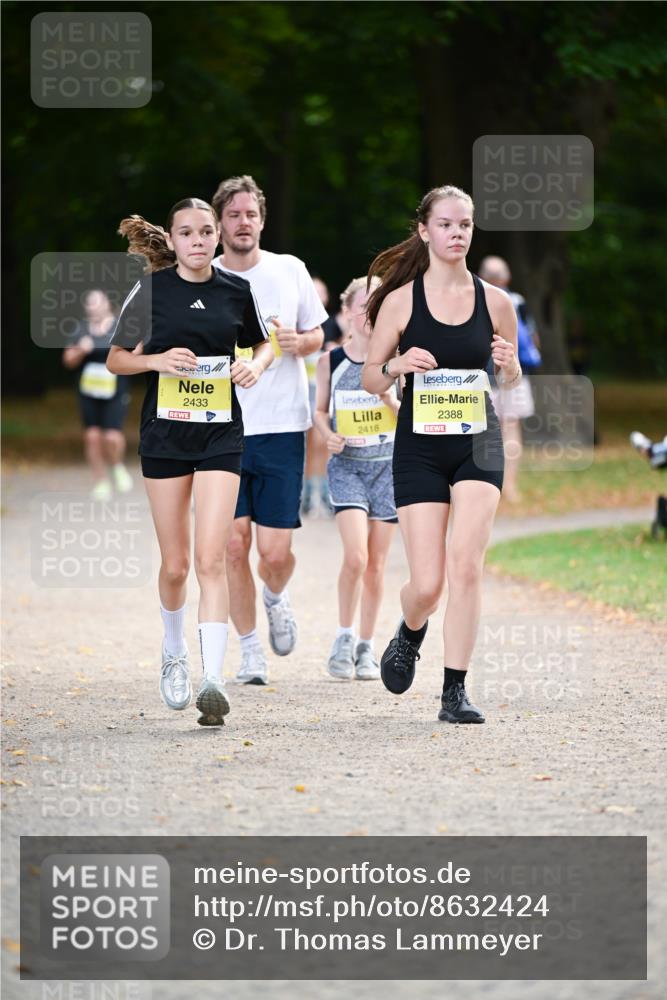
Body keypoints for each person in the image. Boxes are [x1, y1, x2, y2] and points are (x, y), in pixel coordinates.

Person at [107, 197, 273, 727]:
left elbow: (264, 346)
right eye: (187, 233)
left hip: (221, 436)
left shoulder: (235, 291)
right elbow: (115, 359)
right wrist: (156, 359)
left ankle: (213, 679)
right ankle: (174, 649)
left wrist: (254, 367)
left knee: (214, 556)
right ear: (173, 241)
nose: (198, 241)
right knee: (176, 565)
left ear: (217, 238)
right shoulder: (152, 289)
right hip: (165, 438)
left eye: (206, 232)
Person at [362, 185, 520, 724]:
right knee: (427, 585)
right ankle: (409, 633)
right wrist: (397, 367)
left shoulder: (496, 302)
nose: (457, 233)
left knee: (467, 567)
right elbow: (367, 376)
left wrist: (510, 365)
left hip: (479, 443)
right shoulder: (402, 301)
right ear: (425, 231)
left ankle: (455, 692)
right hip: (420, 451)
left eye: (466, 225)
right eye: (447, 224)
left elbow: (511, 376)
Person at [210, 175, 327, 685]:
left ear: (262, 219)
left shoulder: (289, 270)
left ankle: (276, 596)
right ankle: (249, 649)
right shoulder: (201, 274)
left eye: (250, 214)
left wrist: (301, 343)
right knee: (233, 546)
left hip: (281, 425)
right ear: (218, 223)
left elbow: (320, 333)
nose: (242, 223)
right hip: (221, 428)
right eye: (233, 215)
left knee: (274, 553)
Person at [314, 275, 399, 680]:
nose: (370, 315)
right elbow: (318, 412)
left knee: (377, 565)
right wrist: (328, 435)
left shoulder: (397, 360)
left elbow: (413, 416)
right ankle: (343, 637)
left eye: (378, 306)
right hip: (347, 467)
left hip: (387, 468)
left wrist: (390, 398)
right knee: (356, 556)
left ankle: (367, 646)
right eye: (364, 306)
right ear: (347, 312)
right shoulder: (330, 360)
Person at [478, 255, 539, 503]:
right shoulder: (517, 301)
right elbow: (533, 338)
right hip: (514, 373)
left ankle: (486, 485)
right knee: (511, 428)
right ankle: (509, 487)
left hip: (480, 376)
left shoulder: (471, 298)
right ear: (507, 277)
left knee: (480, 432)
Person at [62, 289, 133, 501]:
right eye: (89, 304)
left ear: (107, 305)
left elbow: (134, 354)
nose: (93, 307)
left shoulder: (119, 327)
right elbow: (67, 360)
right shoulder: (81, 329)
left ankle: (116, 465)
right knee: (92, 437)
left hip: (115, 389)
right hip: (88, 390)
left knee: (112, 436)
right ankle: (100, 481)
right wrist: (80, 350)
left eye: (97, 303)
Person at [302, 276, 342, 517]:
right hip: (300, 391)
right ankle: (306, 495)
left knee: (322, 443)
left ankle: (325, 493)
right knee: (306, 444)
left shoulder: (331, 326)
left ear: (326, 298)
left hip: (323, 392)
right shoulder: (297, 323)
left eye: (321, 293)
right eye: (312, 293)